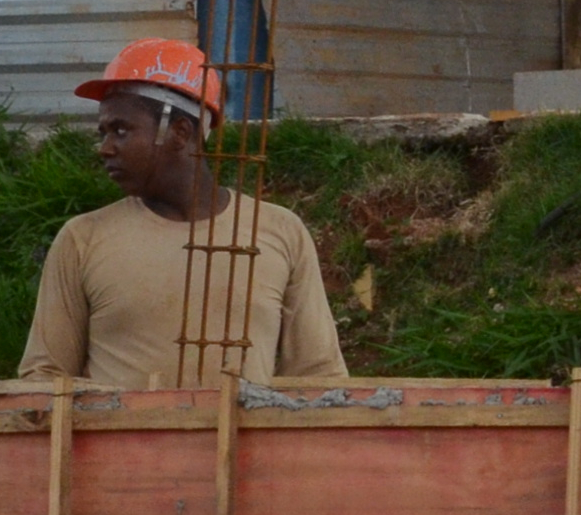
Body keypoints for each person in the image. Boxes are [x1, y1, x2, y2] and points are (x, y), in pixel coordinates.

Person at [19, 38, 349, 389]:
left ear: (179, 132)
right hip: (125, 445)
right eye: (103, 133)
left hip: (238, 444)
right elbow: (44, 378)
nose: (105, 149)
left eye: (120, 130)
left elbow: (318, 377)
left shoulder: (278, 231)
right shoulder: (83, 239)